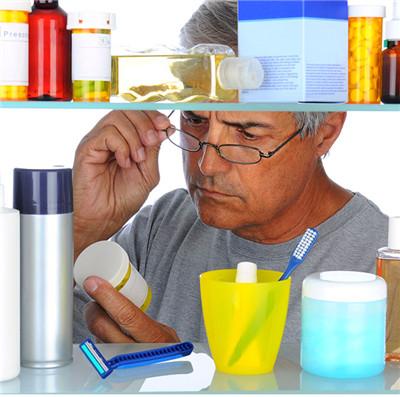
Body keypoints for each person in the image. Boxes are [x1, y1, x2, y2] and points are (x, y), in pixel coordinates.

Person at [73, 0, 388, 344]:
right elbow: (39, 351)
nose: (207, 165)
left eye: (248, 134)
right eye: (194, 119)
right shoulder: (163, 226)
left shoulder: (384, 263)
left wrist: (179, 369)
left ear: (325, 132)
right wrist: (81, 230)